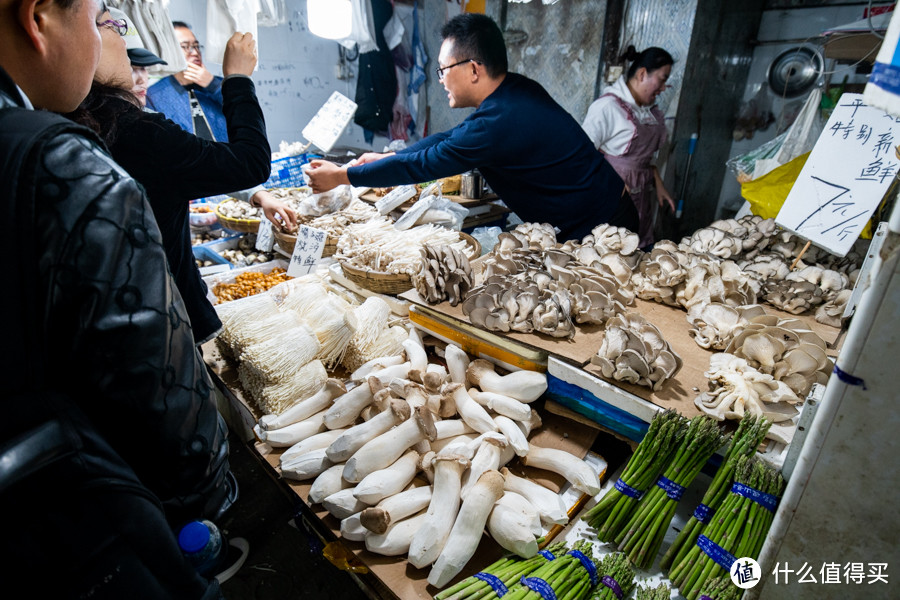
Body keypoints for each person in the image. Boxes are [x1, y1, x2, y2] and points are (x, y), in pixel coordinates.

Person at [0, 0, 230, 597]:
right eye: (102, 17)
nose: (116, 40)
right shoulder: (63, 159)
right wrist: (207, 496)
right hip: (87, 529)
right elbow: (159, 385)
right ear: (38, 18)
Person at [66, 12, 297, 346]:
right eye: (107, 26)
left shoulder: (75, 122)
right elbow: (249, 162)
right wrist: (237, 80)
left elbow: (191, 161)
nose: (140, 76)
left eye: (144, 66)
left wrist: (256, 196)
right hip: (162, 318)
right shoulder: (138, 130)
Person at [306, 13, 636, 242]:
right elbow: (450, 139)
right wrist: (384, 156)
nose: (441, 79)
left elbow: (425, 165)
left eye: (443, 70)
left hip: (603, 225)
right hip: (603, 208)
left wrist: (341, 176)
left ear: (473, 69)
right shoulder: (513, 92)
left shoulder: (499, 121)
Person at [582, 46, 675, 249]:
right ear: (642, 74)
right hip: (613, 199)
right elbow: (583, 155)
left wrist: (657, 182)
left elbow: (643, 159)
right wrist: (612, 182)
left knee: (640, 252)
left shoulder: (647, 112)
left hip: (641, 198)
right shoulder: (607, 107)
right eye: (662, 79)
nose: (663, 88)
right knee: (615, 254)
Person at [147, 20, 226, 141]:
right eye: (185, 47)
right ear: (169, 51)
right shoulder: (154, 95)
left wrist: (212, 85)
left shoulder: (222, 85)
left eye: (196, 46)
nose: (195, 52)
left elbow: (247, 113)